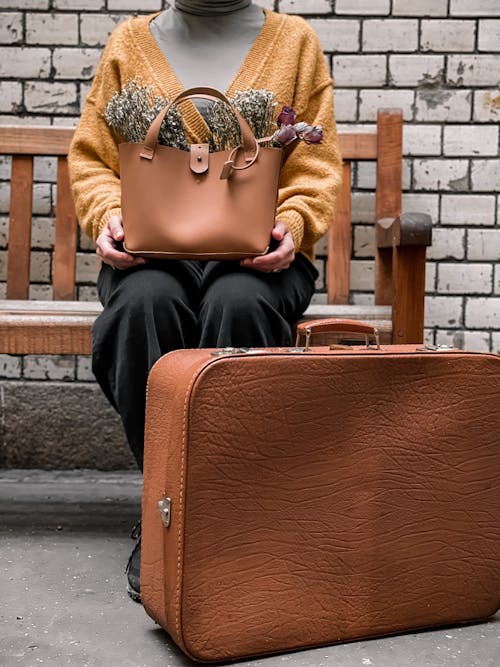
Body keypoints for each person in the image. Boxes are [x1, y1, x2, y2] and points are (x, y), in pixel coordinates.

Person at [68, 0, 343, 603]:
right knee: (143, 306)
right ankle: (165, 504)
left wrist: (293, 222)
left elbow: (315, 165)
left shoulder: (294, 43)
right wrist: (110, 216)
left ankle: (229, 511)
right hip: (152, 256)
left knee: (239, 305)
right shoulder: (128, 44)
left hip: (256, 257)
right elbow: (93, 158)